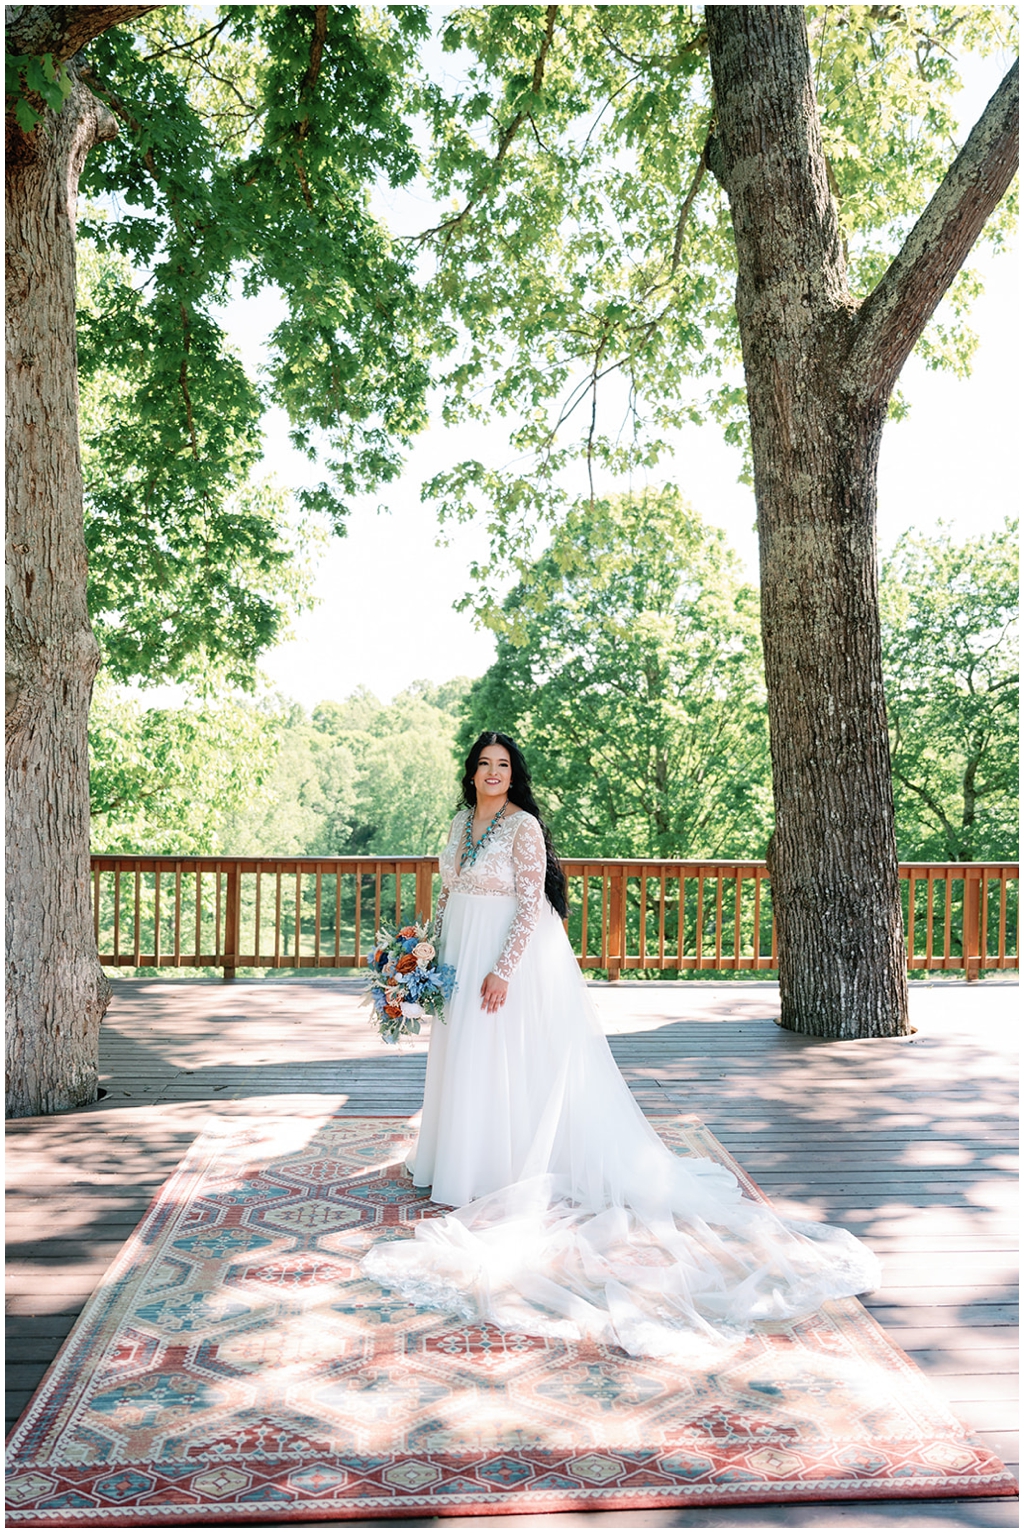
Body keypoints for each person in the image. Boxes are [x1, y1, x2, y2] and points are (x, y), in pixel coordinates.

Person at [361, 731, 880, 1363]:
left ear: (512, 774)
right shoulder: (460, 823)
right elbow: (447, 894)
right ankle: (454, 1157)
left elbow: (530, 906)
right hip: (460, 953)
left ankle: (498, 1167)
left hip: (507, 958)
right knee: (464, 1056)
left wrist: (503, 969)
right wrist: (425, 956)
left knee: (502, 1058)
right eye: (483, 764)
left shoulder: (523, 827)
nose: (492, 773)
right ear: (470, 773)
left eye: (503, 765)